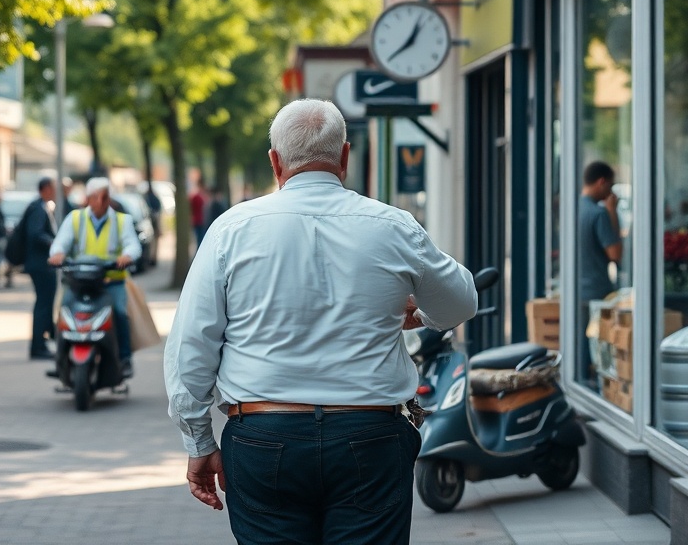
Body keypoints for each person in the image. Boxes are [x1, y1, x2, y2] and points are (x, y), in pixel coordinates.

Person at [164, 99, 478, 545]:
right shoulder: (393, 226)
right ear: (345, 157)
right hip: (371, 439)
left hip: (262, 438)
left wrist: (199, 443)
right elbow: (461, 303)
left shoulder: (231, 230)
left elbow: (191, 347)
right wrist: (422, 314)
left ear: (275, 162)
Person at [49, 178, 141, 378]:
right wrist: (57, 254)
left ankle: (124, 359)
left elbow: (133, 245)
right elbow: (60, 243)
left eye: (105, 196)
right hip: (78, 284)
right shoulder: (75, 219)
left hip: (110, 283)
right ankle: (60, 359)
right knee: (63, 313)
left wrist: (128, 255)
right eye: (98, 196)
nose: (102, 201)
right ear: (89, 198)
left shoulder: (121, 221)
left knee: (119, 313)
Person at [579, 160, 622, 382]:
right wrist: (612, 212)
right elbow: (615, 254)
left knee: (579, 350)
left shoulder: (573, 209)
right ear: (601, 182)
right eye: (610, 186)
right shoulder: (599, 214)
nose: (610, 192)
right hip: (597, 292)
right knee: (598, 349)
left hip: (576, 292)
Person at [25, 176, 58, 360]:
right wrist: (54, 244)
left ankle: (42, 342)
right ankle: (38, 346)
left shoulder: (41, 206)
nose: (55, 191)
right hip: (41, 265)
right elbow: (36, 234)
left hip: (41, 264)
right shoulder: (39, 208)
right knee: (43, 305)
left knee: (44, 304)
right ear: (45, 188)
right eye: (53, 187)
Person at [189, 184, 207, 249]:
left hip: (196, 220)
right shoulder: (200, 197)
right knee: (200, 239)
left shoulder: (194, 197)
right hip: (200, 220)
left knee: (198, 238)